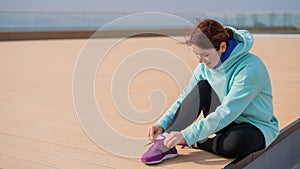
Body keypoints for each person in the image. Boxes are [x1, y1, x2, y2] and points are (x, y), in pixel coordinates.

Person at [141, 19, 279, 164]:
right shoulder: (203, 67)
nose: (200, 61)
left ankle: (199, 142)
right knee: (202, 87)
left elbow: (227, 111)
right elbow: (186, 97)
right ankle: (165, 142)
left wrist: (188, 136)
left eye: (205, 54)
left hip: (252, 125)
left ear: (223, 47)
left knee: (235, 144)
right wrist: (162, 124)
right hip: (223, 122)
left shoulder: (250, 68)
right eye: (197, 54)